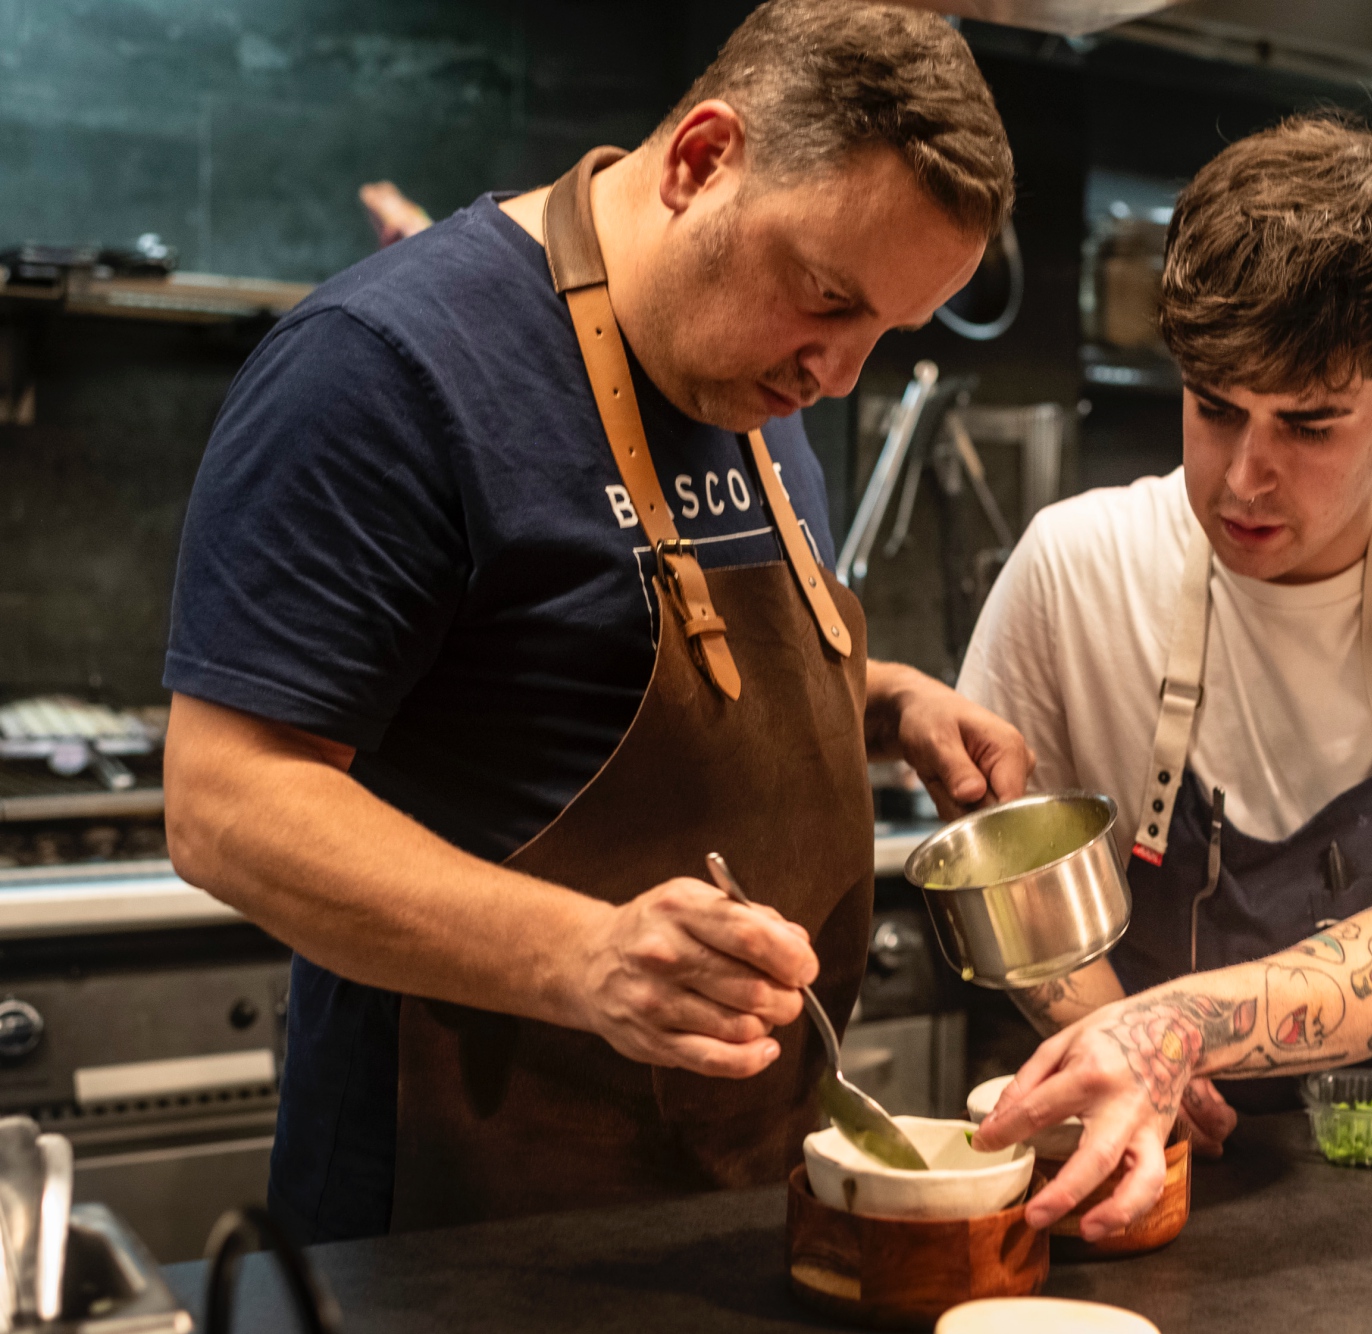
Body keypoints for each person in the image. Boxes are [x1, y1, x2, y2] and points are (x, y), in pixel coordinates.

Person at [161, 0, 1030, 1242]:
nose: (835, 376)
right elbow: (224, 800)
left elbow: (596, 656)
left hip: (727, 1204)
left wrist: (885, 700)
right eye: (827, 297)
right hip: (454, 1235)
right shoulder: (384, 367)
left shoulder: (750, 367)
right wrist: (580, 956)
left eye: (884, 332)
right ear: (701, 161)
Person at [962, 115, 1372, 1240]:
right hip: (1155, 1160)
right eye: (1214, 408)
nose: (1242, 478)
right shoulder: (1074, 566)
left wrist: (1171, 1030)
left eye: (1306, 426)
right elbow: (1010, 875)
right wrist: (1121, 1049)